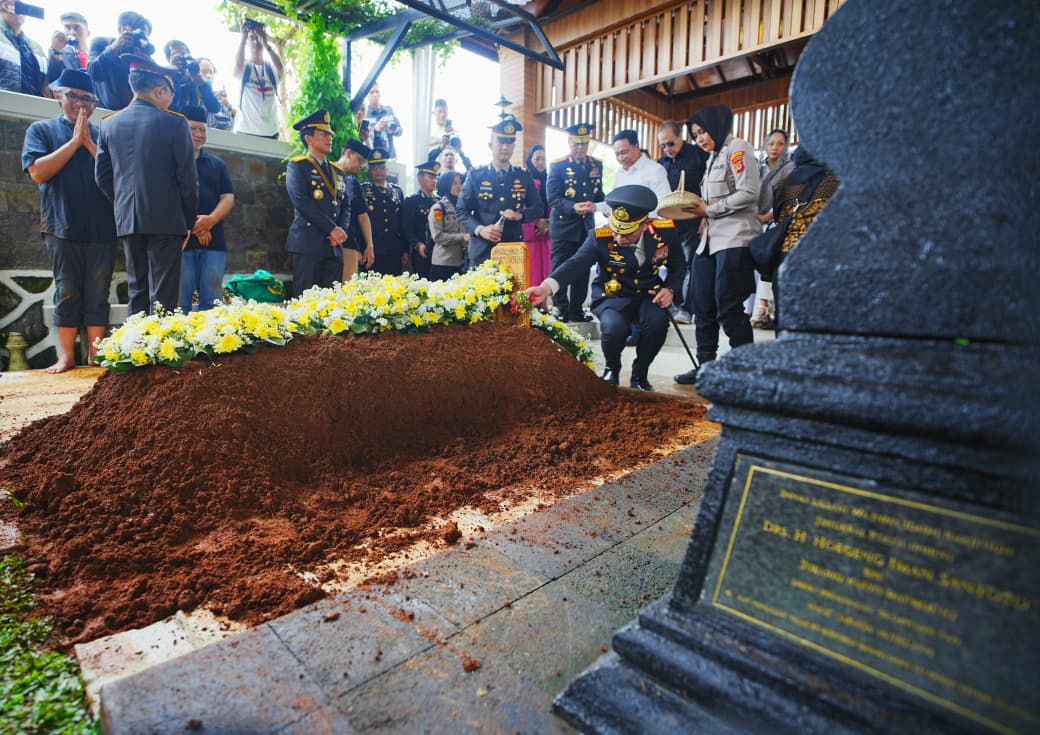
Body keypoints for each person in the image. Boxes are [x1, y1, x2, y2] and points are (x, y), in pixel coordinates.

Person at [525, 185, 686, 391]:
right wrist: (546, 288)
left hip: (649, 294)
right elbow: (575, 264)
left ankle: (640, 374)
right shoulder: (600, 236)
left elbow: (679, 266)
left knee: (657, 324)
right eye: (616, 230)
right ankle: (612, 368)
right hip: (613, 295)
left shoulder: (665, 232)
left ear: (645, 225)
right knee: (614, 328)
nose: (618, 238)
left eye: (626, 234)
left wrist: (670, 289)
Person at [22, 69, 116, 372]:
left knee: (98, 290)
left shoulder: (105, 135)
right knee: (67, 290)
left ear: (95, 104)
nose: (80, 103)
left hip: (103, 227)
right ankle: (66, 356)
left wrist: (89, 144)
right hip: (61, 225)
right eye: (72, 96)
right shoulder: (41, 130)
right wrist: (74, 143)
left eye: (87, 98)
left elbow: (118, 177)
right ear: (57, 95)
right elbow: (38, 173)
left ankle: (96, 353)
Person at [95, 55, 197, 316]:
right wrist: (187, 222)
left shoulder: (108, 123)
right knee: (164, 295)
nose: (170, 101)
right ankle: (161, 343)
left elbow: (102, 177)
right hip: (167, 220)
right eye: (170, 94)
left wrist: (124, 202)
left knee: (137, 289)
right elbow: (187, 179)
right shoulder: (175, 123)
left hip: (128, 219)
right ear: (160, 90)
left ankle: (137, 341)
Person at [673, 103, 760, 385]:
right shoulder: (712, 157)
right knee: (702, 305)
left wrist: (709, 210)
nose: (699, 138)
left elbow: (748, 192)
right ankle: (705, 367)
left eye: (702, 132)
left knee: (728, 305)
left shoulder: (738, 149)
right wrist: (699, 211)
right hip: (709, 242)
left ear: (717, 125)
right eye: (695, 134)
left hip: (735, 238)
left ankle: (744, 369)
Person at [456, 117, 543, 268]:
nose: (505, 147)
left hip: (512, 250)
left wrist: (520, 215)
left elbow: (537, 208)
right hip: (482, 250)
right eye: (500, 142)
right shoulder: (476, 175)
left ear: (514, 146)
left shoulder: (523, 175)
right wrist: (480, 229)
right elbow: (461, 210)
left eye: (509, 142)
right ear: (490, 145)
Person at [770, 145, 840, 318]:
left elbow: (778, 218)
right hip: (820, 253)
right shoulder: (833, 182)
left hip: (787, 252)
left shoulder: (784, 184)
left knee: (785, 310)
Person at [284, 109, 349, 295]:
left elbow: (346, 205)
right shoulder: (298, 166)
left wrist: (340, 231)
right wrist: (331, 228)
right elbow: (302, 202)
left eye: (330, 134)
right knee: (306, 301)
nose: (330, 138)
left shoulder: (337, 171)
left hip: (333, 246)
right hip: (308, 244)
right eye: (324, 134)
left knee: (331, 304)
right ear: (308, 138)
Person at [546, 123, 604, 321]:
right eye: (576, 143)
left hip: (586, 227)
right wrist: (573, 207)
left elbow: (598, 194)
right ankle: (561, 309)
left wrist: (601, 205)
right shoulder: (558, 165)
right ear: (569, 142)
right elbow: (552, 197)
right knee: (560, 267)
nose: (580, 147)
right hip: (563, 227)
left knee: (582, 268)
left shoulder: (596, 165)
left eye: (584, 143)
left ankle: (576, 310)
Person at [179, 106, 234, 311]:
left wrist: (210, 221)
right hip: (181, 242)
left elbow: (228, 197)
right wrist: (196, 226)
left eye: (202, 129)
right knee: (179, 304)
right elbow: (167, 198)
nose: (198, 134)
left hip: (213, 243)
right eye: (193, 129)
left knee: (212, 304)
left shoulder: (217, 165)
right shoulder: (171, 162)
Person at [657, 119, 709, 323]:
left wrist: (705, 217)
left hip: (693, 220)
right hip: (669, 223)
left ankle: (687, 308)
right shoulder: (662, 163)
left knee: (691, 265)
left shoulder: (699, 155)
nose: (667, 149)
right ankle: (672, 305)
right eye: (662, 145)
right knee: (672, 264)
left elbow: (710, 189)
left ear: (681, 137)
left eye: (670, 143)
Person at [751, 128, 795, 328]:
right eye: (770, 143)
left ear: (786, 146)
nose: (774, 147)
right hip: (753, 220)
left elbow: (787, 199)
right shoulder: (758, 167)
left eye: (780, 143)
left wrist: (766, 217)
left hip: (775, 222)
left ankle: (765, 311)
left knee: (768, 264)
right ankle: (754, 309)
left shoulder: (789, 168)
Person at [87, 11, 154, 111]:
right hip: (105, 111)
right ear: (121, 29)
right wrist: (113, 48)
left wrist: (144, 62)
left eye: (144, 35)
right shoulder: (101, 43)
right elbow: (94, 73)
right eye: (137, 33)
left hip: (135, 112)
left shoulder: (142, 53)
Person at [599, 130, 671, 216]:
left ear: (636, 147)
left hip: (648, 223)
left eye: (624, 152)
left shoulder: (655, 170)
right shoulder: (620, 174)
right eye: (617, 154)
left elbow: (664, 205)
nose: (621, 158)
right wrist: (595, 207)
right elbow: (614, 204)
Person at [233, 19, 282, 139]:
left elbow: (280, 68)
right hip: (245, 131)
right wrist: (243, 38)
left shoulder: (271, 68)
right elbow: (238, 64)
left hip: (271, 133)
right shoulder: (245, 67)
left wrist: (266, 44)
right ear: (247, 42)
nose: (256, 41)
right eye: (252, 38)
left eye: (258, 38)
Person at [362, 148, 407, 275]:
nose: (378, 172)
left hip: (394, 248)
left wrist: (405, 249)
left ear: (387, 169)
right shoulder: (363, 190)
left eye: (381, 168)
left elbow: (402, 222)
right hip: (373, 249)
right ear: (369, 171)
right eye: (374, 168)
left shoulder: (397, 191)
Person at [334, 138, 374, 282]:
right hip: (327, 242)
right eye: (360, 160)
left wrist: (369, 245)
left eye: (364, 163)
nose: (361, 166)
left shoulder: (353, 182)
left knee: (348, 291)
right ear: (348, 153)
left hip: (350, 245)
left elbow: (362, 215)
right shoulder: (327, 173)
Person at [401, 157, 440, 279]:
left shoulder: (439, 202)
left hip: (439, 252)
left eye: (435, 178)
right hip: (420, 251)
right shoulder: (411, 201)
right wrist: (417, 245)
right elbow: (406, 228)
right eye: (431, 177)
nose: (434, 181)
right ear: (420, 178)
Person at [0, 0, 48, 96]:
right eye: (10, 4)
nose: (15, 8)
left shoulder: (37, 48)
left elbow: (46, 83)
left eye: (20, 5)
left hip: (32, 103)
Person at [428, 171, 468, 281]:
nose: (458, 186)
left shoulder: (462, 207)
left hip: (461, 263)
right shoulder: (438, 208)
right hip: (443, 264)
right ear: (446, 185)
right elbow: (438, 236)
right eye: (454, 183)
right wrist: (462, 237)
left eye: (460, 183)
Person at [163, 40, 220, 116]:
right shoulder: (164, 79)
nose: (179, 58)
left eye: (183, 54)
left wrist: (201, 83)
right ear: (169, 59)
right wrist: (173, 74)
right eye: (174, 54)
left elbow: (214, 108)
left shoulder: (200, 81)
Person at [523, 144, 551, 287]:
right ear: (530, 160)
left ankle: (544, 300)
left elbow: (554, 205)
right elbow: (522, 207)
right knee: (531, 273)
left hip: (547, 234)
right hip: (531, 234)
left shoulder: (549, 180)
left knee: (547, 273)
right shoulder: (524, 181)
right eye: (537, 159)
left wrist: (547, 224)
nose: (541, 162)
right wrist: (536, 223)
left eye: (543, 159)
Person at [362, 83, 402, 159]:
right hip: (373, 158)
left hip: (391, 156)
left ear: (380, 94)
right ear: (367, 95)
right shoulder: (365, 114)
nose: (375, 95)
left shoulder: (388, 110)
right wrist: (375, 130)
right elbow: (361, 138)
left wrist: (393, 130)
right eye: (371, 92)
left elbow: (400, 131)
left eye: (377, 92)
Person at [46, 11, 89, 81]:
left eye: (77, 27)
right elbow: (51, 80)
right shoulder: (58, 54)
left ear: (88, 33)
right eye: (67, 27)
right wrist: (55, 52)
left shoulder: (96, 56)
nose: (72, 32)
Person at [197, 58, 234, 131]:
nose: (208, 76)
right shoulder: (189, 96)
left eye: (211, 72)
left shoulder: (220, 98)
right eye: (204, 72)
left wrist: (229, 107)